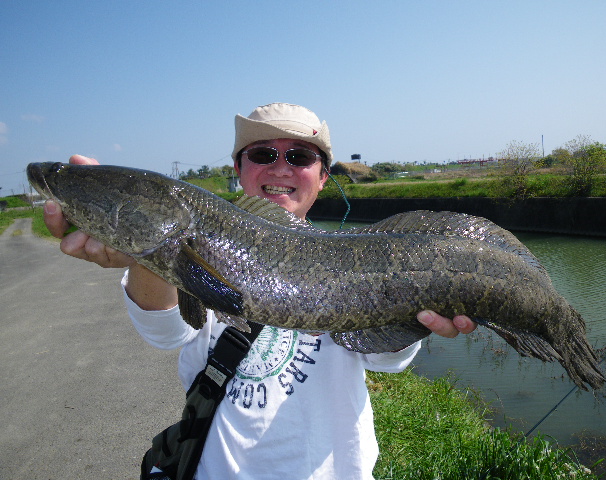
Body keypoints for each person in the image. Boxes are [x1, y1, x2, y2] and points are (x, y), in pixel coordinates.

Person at [44, 103, 476, 479]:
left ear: (323, 177)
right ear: (238, 169)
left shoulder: (362, 258)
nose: (281, 167)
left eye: (301, 156)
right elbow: (167, 332)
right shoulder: (199, 237)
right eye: (263, 154)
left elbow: (385, 358)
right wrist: (145, 252)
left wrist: (422, 319)